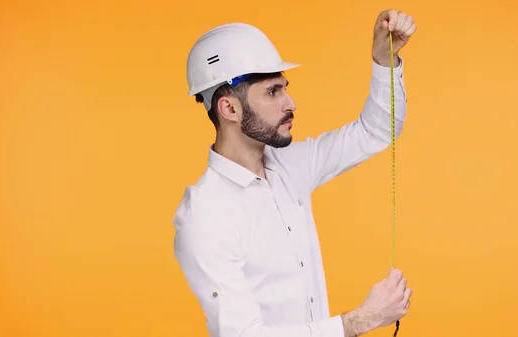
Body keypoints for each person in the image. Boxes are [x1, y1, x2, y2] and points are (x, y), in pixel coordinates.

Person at [173, 9, 416, 337]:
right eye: (273, 92)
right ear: (229, 108)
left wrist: (384, 60)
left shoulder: (290, 165)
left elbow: (376, 130)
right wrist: (359, 320)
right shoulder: (205, 216)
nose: (291, 102)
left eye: (285, 87)